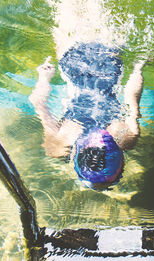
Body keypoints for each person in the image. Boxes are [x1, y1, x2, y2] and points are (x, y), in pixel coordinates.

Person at [29, 42, 145, 190]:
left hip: (109, 67)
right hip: (73, 64)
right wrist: (44, 77)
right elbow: (38, 102)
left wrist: (138, 66)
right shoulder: (57, 147)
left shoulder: (127, 139)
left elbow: (131, 96)